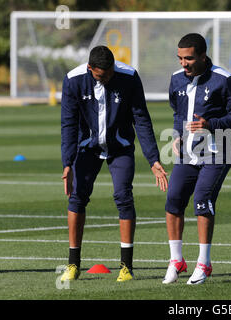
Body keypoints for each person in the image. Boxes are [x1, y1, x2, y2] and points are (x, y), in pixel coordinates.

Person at [60, 46, 168, 282]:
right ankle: (73, 264)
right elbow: (68, 123)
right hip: (86, 148)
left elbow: (141, 118)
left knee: (123, 196)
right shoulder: (73, 80)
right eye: (101, 76)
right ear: (90, 69)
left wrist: (153, 159)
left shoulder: (128, 77)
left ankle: (126, 267)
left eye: (109, 73)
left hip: (120, 148)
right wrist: (67, 162)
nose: (107, 78)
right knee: (77, 197)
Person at [162, 33, 231, 285]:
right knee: (174, 199)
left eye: (188, 58)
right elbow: (178, 112)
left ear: (202, 56)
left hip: (218, 151)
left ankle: (204, 263)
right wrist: (177, 135)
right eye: (180, 58)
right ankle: (176, 260)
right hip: (188, 151)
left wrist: (211, 125)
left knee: (202, 199)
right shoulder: (176, 79)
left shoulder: (225, 79)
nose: (183, 63)